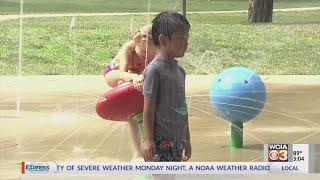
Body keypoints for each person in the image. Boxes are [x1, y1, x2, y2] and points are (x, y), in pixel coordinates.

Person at [142, 11, 192, 165]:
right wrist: (148, 139)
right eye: (181, 39)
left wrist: (187, 138)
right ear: (163, 40)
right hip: (160, 141)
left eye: (187, 39)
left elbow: (182, 107)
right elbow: (148, 109)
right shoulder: (154, 71)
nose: (186, 44)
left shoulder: (180, 71)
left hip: (177, 140)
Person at [103, 25, 156, 159]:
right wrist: (133, 78)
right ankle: (138, 154)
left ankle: (148, 152)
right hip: (118, 75)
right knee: (132, 118)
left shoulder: (156, 50)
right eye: (143, 53)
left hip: (140, 79)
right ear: (137, 42)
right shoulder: (128, 48)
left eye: (150, 53)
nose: (146, 56)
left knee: (142, 117)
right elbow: (122, 76)